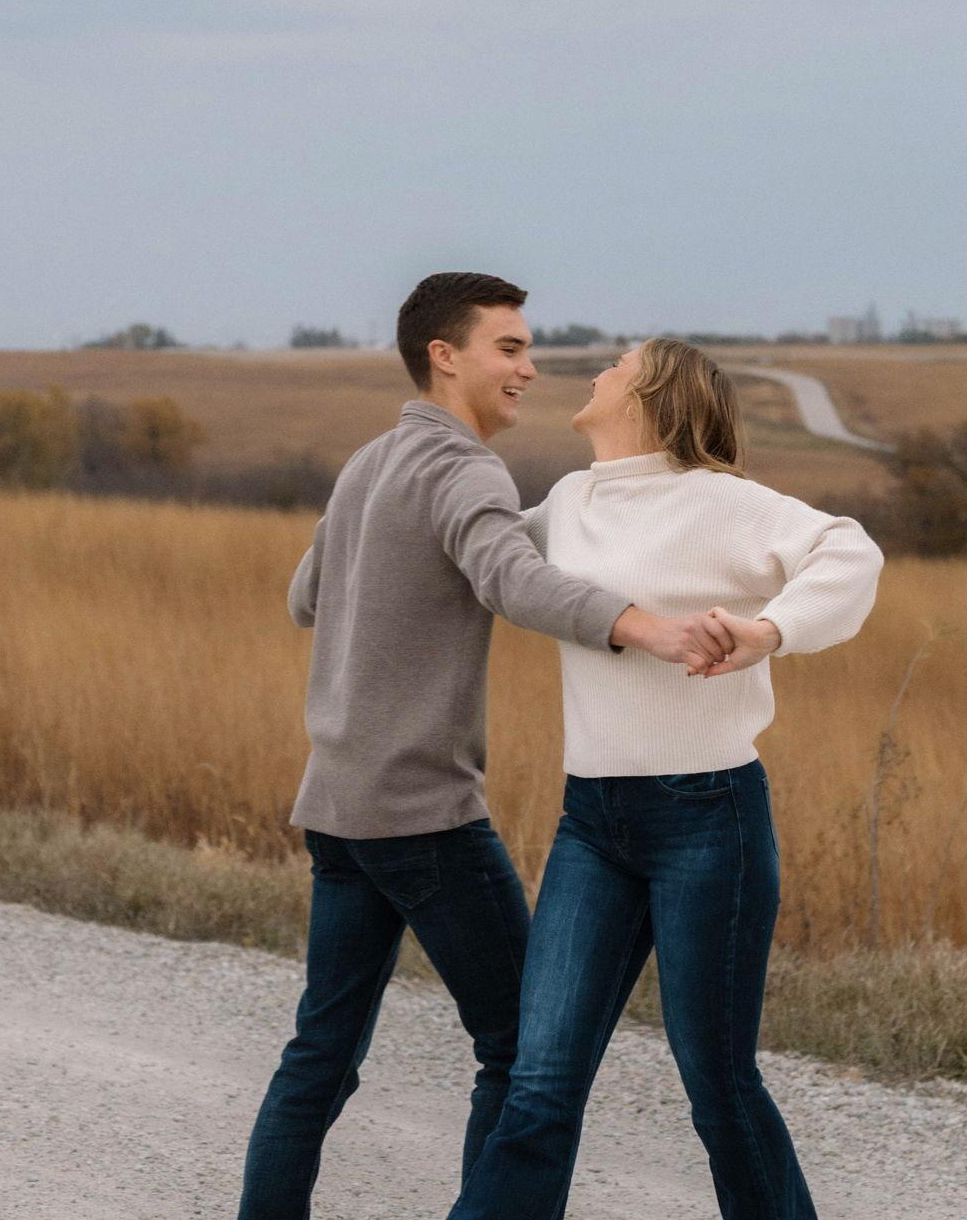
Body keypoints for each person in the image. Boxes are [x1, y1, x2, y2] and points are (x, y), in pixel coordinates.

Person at [236, 275, 736, 1219]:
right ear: (444, 355)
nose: (529, 368)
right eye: (508, 348)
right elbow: (514, 581)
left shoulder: (370, 462)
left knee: (321, 1052)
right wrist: (647, 627)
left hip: (338, 809)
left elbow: (305, 597)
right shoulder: (466, 470)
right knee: (520, 1050)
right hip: (422, 815)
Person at [447, 338, 883, 1220]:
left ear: (652, 393)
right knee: (539, 1080)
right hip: (592, 822)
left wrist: (770, 632)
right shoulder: (571, 501)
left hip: (708, 819)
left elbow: (850, 550)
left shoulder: (721, 501)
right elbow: (485, 558)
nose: (597, 369)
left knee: (718, 1084)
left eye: (619, 361)